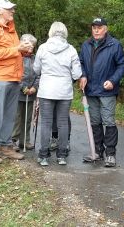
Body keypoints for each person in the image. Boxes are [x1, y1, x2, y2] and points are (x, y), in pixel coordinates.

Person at [0, 0, 33, 163]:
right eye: (9, 9)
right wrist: (17, 48)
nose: (13, 11)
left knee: (10, 117)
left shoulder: (11, 29)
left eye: (12, 9)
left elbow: (13, 52)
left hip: (13, 78)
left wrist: (25, 51)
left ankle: (5, 147)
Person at [79, 17, 124, 167]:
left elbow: (122, 65)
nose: (96, 30)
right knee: (95, 122)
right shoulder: (86, 45)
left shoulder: (115, 44)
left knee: (108, 121)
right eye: (94, 27)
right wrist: (83, 75)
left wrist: (113, 80)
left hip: (107, 90)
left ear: (106, 29)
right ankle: (97, 151)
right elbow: (80, 63)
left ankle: (110, 154)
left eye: (99, 27)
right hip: (90, 90)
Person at [33, 21, 82, 166]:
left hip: (47, 89)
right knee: (62, 123)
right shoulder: (71, 49)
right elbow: (77, 73)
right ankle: (61, 155)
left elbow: (36, 69)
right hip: (64, 91)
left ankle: (43, 156)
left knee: (46, 123)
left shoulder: (42, 48)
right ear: (65, 32)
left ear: (51, 32)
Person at [11, 34, 39, 151]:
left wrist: (35, 87)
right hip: (18, 94)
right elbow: (15, 74)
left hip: (31, 94)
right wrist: (23, 88)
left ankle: (25, 141)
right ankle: (12, 140)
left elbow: (39, 74)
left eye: (33, 46)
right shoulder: (17, 56)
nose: (30, 48)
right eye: (28, 45)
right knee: (16, 118)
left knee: (27, 119)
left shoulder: (35, 58)